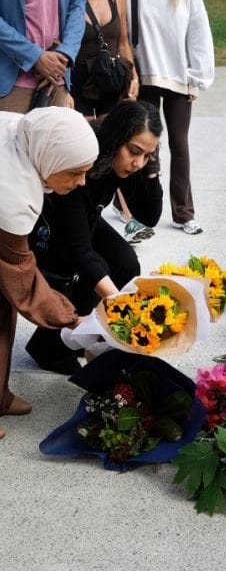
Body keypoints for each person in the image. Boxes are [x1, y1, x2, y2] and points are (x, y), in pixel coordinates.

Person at [25, 100, 162, 375]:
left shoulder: (129, 162)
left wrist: (151, 170)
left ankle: (74, 336)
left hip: (87, 218)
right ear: (116, 139)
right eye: (134, 151)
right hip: (51, 225)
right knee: (92, 269)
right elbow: (80, 248)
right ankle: (50, 347)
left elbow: (147, 217)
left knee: (126, 263)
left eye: (147, 154)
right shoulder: (82, 160)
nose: (137, 162)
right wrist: (124, 305)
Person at [0, 107, 94, 442]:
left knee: (2, 310)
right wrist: (71, 317)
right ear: (49, 160)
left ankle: (0, 395)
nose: (81, 182)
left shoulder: (25, 133)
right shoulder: (11, 193)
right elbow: (22, 278)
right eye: (74, 172)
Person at [115, 0, 212, 236]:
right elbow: (116, 28)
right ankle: (131, 207)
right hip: (144, 76)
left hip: (179, 78)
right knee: (143, 146)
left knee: (179, 145)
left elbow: (199, 35)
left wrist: (197, 77)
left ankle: (184, 212)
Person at [0, 0, 87, 114]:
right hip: (10, 84)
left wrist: (64, 54)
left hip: (56, 82)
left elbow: (77, 3)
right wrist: (35, 57)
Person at [71, 0, 139, 120]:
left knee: (112, 136)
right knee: (84, 139)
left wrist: (133, 76)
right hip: (80, 79)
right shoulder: (69, 2)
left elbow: (124, 43)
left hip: (112, 77)